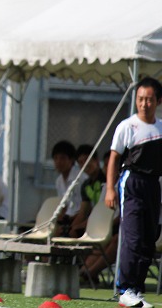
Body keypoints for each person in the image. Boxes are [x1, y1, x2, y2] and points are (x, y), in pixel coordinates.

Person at [105, 77, 162, 308]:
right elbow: (114, 158)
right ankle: (125, 289)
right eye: (140, 99)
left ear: (158, 101)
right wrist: (110, 189)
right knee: (133, 238)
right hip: (132, 183)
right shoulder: (127, 126)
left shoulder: (161, 128)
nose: (144, 104)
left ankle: (136, 290)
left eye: (149, 99)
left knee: (149, 239)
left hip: (153, 186)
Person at [51, 140, 87, 236]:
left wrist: (70, 226)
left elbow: (85, 209)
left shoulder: (81, 178)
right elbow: (64, 206)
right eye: (55, 158)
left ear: (71, 160)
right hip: (67, 219)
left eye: (62, 158)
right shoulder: (59, 181)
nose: (58, 162)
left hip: (80, 219)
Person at [69, 144, 105, 237]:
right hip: (93, 220)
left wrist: (80, 226)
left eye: (87, 160)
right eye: (80, 162)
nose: (85, 165)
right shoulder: (86, 185)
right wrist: (70, 228)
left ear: (96, 160)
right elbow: (83, 213)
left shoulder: (105, 179)